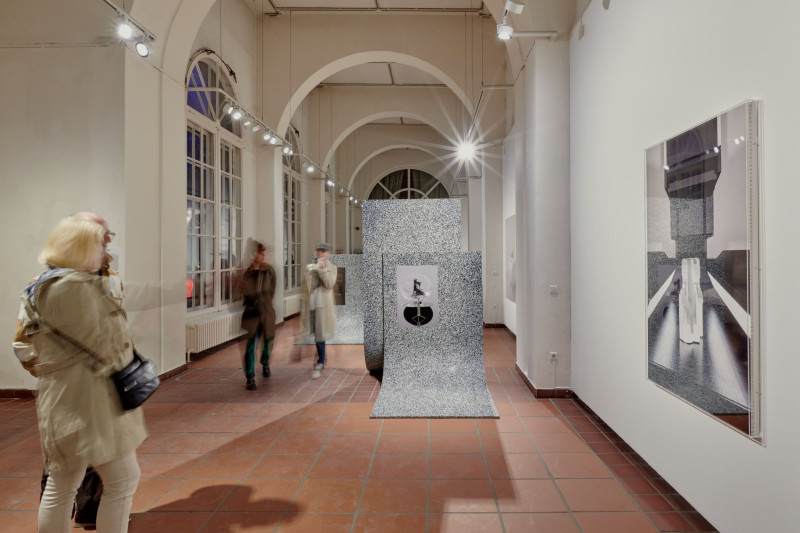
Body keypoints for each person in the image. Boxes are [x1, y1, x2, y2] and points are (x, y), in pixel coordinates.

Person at [17, 216, 147, 532]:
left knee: (65, 482)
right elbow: (108, 341)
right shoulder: (68, 287)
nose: (109, 243)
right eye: (102, 237)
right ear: (81, 244)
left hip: (74, 395)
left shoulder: (57, 282)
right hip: (84, 397)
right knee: (120, 478)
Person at [239, 240, 276, 391]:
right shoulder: (248, 273)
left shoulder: (269, 271)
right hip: (251, 314)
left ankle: (265, 363)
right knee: (250, 346)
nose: (261, 256)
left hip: (266, 312)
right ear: (252, 255)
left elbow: (272, 290)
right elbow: (246, 292)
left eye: (262, 253)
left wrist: (264, 302)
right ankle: (250, 376)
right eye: (258, 253)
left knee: (268, 342)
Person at [302, 243, 337, 380]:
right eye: (318, 251)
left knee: (320, 334)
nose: (321, 254)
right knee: (315, 333)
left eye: (323, 251)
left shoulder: (332, 268)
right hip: (312, 304)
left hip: (323, 306)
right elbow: (307, 287)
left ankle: (320, 362)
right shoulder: (311, 267)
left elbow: (329, 284)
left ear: (328, 253)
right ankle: (321, 356)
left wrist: (322, 270)